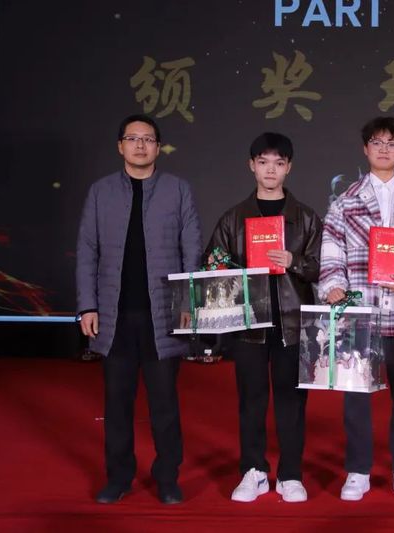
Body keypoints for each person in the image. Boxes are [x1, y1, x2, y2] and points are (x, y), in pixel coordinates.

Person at [76, 114, 202, 504]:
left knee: (165, 404)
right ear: (120, 146)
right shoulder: (100, 192)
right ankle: (118, 478)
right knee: (117, 404)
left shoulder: (177, 190)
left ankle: (167, 479)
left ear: (158, 147)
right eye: (132, 138)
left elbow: (191, 249)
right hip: (114, 316)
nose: (140, 145)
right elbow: (87, 250)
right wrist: (87, 305)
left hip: (162, 315)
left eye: (148, 139)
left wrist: (188, 301)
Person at [319, 116, 394, 502]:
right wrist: (334, 286)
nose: (384, 149)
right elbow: (331, 253)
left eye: (392, 143)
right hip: (361, 314)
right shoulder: (345, 202)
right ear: (365, 149)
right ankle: (357, 471)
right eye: (377, 142)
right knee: (356, 398)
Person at [205, 132, 322, 503]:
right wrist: (231, 270)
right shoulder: (233, 218)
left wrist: (294, 261)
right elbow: (212, 265)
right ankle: (253, 471)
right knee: (251, 400)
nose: (271, 170)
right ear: (251, 166)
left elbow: (323, 267)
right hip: (248, 323)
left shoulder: (305, 217)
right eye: (263, 162)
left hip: (293, 322)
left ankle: (290, 475)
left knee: (292, 402)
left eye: (279, 163)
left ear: (289, 168)